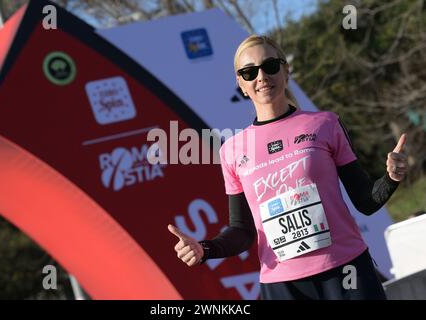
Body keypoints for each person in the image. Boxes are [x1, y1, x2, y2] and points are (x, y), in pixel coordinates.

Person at [168, 35, 408, 300]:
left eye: (269, 66)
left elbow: (365, 200)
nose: (261, 77)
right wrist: (206, 249)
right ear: (241, 84)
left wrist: (391, 177)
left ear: (285, 70)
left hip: (346, 271)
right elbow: (243, 231)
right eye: (249, 72)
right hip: (284, 286)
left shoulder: (324, 124)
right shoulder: (232, 151)